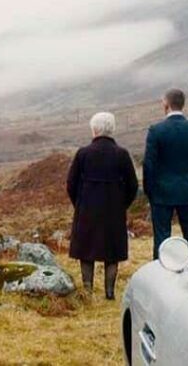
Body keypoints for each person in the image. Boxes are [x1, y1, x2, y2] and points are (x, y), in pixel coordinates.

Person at [67, 112, 139, 300]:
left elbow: (71, 184)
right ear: (112, 129)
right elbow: (133, 185)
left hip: (87, 211)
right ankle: (109, 293)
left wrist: (80, 205)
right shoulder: (122, 154)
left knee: (86, 252)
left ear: (94, 129)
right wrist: (122, 205)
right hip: (113, 211)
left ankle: (88, 291)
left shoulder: (83, 153)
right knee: (112, 253)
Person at [142, 88, 188, 267]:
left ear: (166, 105)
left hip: (161, 193)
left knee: (162, 237)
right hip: (187, 191)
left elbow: (149, 165)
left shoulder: (156, 131)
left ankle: (161, 274)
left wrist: (150, 191)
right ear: (182, 104)